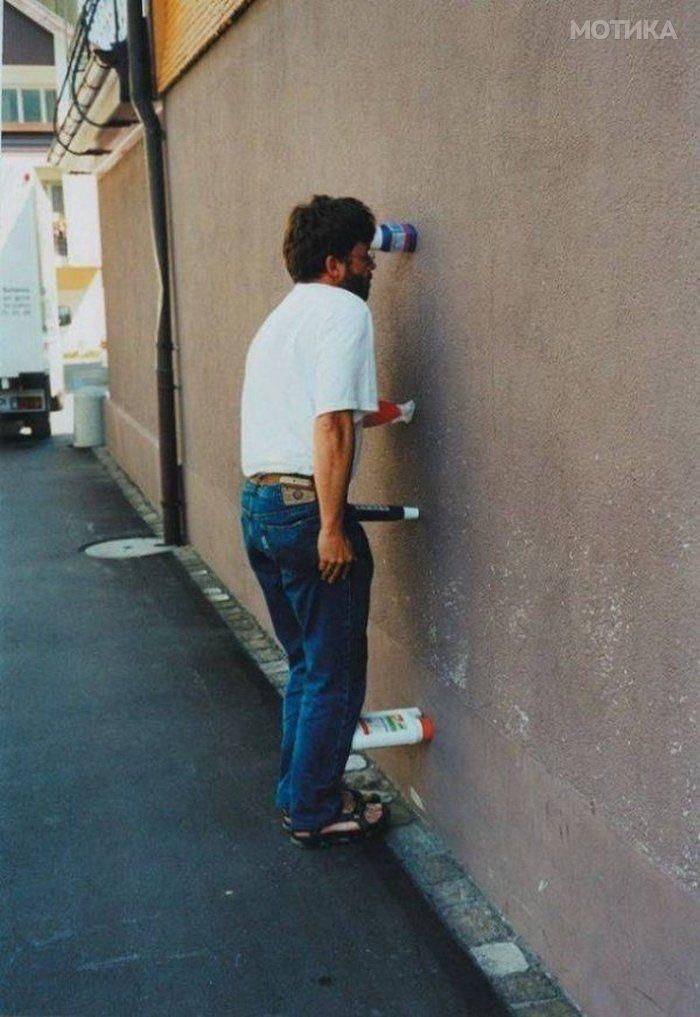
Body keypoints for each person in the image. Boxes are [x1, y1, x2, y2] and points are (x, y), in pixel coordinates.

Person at [240, 194, 391, 848]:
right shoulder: (344, 311)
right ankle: (315, 809)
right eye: (363, 257)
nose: (371, 268)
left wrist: (388, 411)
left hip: (261, 508)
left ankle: (298, 794)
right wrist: (332, 526)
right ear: (335, 264)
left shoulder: (282, 319)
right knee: (336, 671)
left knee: (307, 664)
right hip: (306, 513)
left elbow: (327, 412)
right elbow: (330, 423)